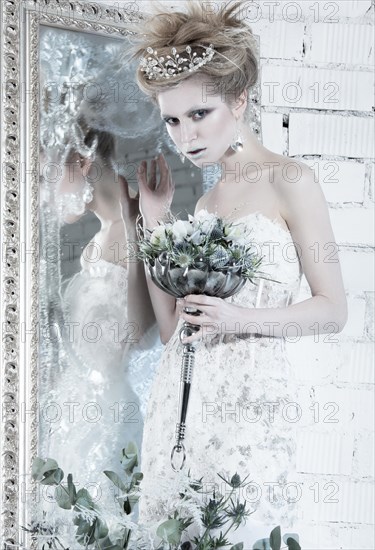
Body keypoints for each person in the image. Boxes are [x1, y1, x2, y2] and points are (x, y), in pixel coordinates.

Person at [129, 1, 348, 547]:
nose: (185, 136)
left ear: (239, 99)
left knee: (240, 529)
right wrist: (155, 220)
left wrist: (239, 316)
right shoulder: (204, 204)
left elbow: (332, 309)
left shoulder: (290, 179)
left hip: (251, 410)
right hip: (180, 403)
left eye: (199, 114)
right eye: (173, 121)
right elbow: (173, 331)